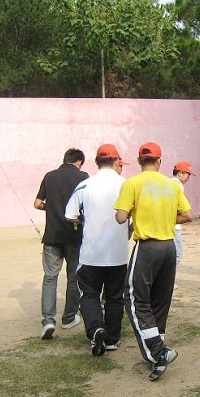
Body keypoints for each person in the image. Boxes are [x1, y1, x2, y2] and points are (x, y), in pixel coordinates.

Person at [114, 142, 193, 381]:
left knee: (134, 297)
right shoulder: (172, 185)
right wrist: (165, 218)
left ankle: (159, 352)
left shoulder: (132, 183)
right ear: (159, 161)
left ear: (139, 161)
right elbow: (188, 215)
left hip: (147, 247)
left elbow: (120, 217)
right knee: (160, 299)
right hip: (168, 246)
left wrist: (134, 211)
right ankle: (158, 347)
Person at [65, 144, 130, 356]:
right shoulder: (126, 185)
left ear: (96, 162)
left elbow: (70, 215)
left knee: (89, 294)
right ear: (117, 161)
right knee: (114, 297)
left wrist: (85, 220)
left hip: (91, 254)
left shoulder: (85, 185)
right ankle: (112, 338)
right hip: (118, 255)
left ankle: (95, 329)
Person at [34, 148, 89, 339]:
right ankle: (68, 317)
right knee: (73, 277)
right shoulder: (83, 177)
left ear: (65, 159)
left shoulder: (49, 176)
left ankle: (48, 320)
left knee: (50, 277)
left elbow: (37, 203)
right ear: (79, 162)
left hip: (52, 235)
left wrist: (52, 208)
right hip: (74, 235)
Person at [172, 161, 196, 269]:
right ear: (180, 173)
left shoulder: (169, 183)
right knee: (177, 256)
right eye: (187, 174)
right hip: (174, 226)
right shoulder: (177, 185)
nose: (188, 177)